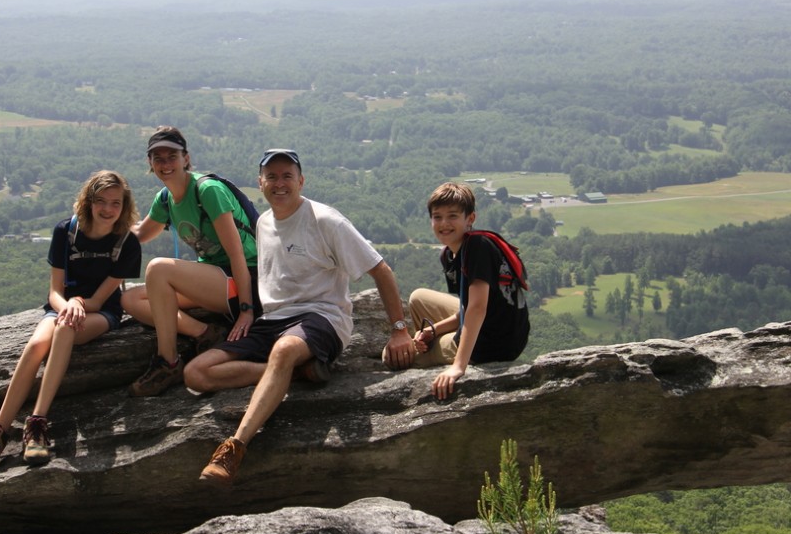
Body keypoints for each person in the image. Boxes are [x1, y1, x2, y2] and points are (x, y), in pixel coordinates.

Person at [184, 148, 411, 486]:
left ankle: (235, 447)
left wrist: (399, 330)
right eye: (271, 177)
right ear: (260, 183)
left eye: (287, 176)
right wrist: (247, 312)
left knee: (284, 351)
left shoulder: (325, 220)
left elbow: (381, 270)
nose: (279, 183)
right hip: (272, 322)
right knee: (195, 374)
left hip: (323, 317)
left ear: (301, 181)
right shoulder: (262, 223)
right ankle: (292, 372)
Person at [0, 170, 141, 466]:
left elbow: (100, 299)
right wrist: (67, 304)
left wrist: (77, 303)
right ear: (89, 201)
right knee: (36, 345)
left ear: (124, 205)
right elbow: (54, 291)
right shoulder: (66, 232)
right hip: (62, 307)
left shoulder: (126, 243)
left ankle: (36, 426)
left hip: (102, 312)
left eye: (116, 203)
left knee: (65, 329)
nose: (108, 209)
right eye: (101, 201)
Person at [122, 126, 259, 397]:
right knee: (130, 300)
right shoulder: (166, 199)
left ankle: (168, 362)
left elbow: (237, 254)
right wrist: (97, 222)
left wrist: (246, 309)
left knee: (158, 269)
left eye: (171, 156)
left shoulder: (207, 191)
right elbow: (139, 234)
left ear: (186, 158)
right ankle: (205, 333)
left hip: (247, 278)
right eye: (158, 158)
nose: (165, 164)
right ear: (150, 163)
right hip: (215, 279)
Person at [385, 182, 529, 401]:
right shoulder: (451, 254)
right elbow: (466, 308)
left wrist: (458, 367)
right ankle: (429, 341)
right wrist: (433, 331)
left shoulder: (477, 248)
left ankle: (436, 351)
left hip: (493, 345)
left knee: (392, 356)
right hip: (503, 325)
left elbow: (478, 307)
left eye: (452, 216)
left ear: (470, 218)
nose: (444, 224)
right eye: (437, 217)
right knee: (418, 298)